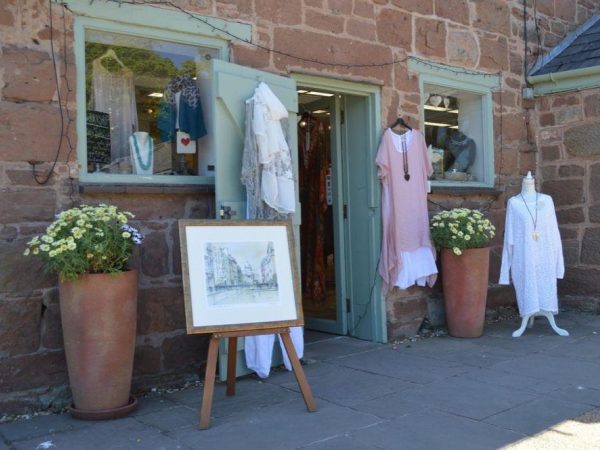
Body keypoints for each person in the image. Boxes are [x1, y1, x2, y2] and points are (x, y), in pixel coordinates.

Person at [499, 171, 569, 337]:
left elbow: (554, 232)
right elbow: (509, 237)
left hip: (545, 254)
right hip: (524, 256)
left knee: (545, 283)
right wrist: (505, 272)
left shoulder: (547, 200)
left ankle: (545, 310)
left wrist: (559, 265)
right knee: (527, 285)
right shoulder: (514, 203)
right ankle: (528, 313)